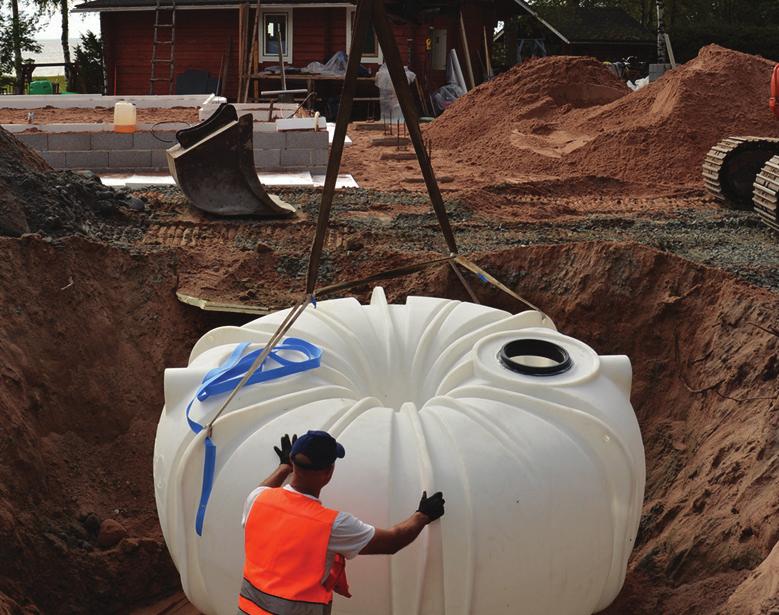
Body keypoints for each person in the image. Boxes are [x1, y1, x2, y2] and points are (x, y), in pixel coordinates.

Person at [238, 430, 445, 615]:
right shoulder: (332, 525)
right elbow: (392, 541)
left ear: (293, 462)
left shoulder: (257, 499)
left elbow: (262, 489)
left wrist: (283, 468)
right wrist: (423, 515)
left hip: (247, 610)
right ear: (329, 472)